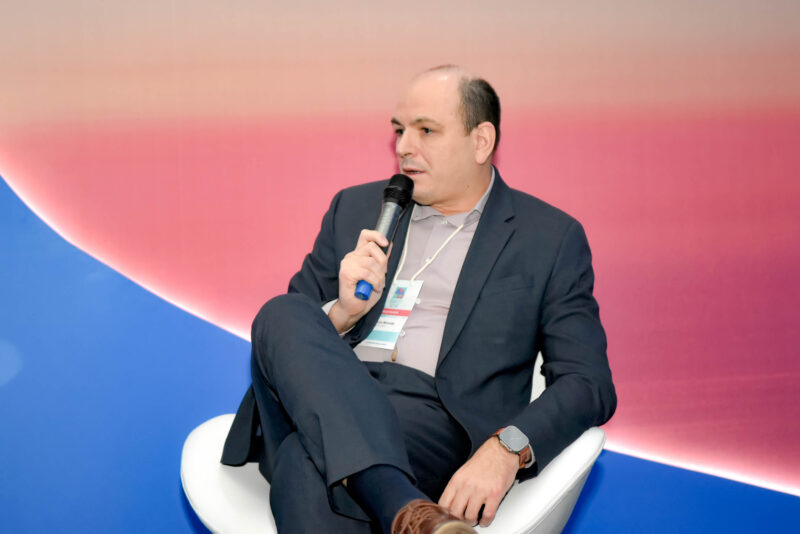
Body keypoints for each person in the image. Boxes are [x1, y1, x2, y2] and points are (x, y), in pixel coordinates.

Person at [221, 65, 616, 534]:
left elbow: (587, 382)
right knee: (282, 312)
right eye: (399, 130)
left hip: (429, 422)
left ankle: (392, 498)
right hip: (316, 399)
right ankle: (405, 508)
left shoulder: (547, 238)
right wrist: (343, 313)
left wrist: (507, 447)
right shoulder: (354, 207)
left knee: (304, 466)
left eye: (426, 130)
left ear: (481, 141)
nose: (404, 147)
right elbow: (282, 346)